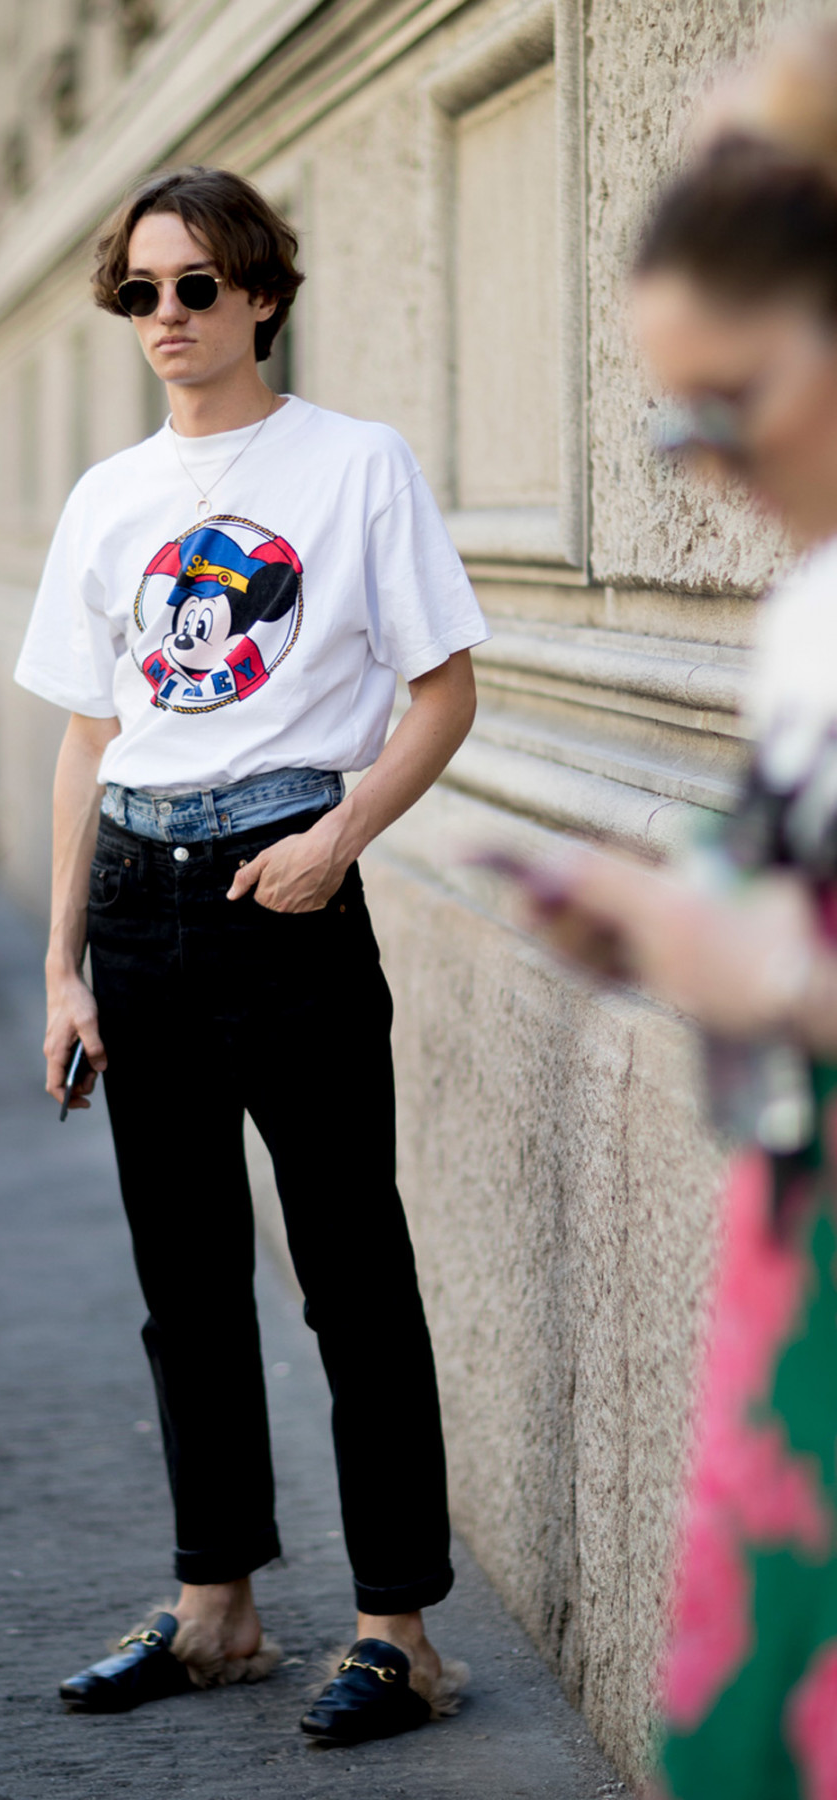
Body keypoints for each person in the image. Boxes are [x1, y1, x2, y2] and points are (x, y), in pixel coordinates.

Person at [15, 165, 488, 1745]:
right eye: (141, 292)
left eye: (197, 287)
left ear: (263, 295)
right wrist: (64, 969)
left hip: (285, 887)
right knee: (187, 1282)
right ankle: (216, 1608)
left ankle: (398, 1632)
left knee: (352, 1271)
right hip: (138, 904)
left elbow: (443, 692)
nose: (166, 315)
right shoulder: (107, 496)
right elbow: (90, 738)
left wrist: (340, 837)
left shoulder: (354, 464)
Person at [497, 29, 837, 1798]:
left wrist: (770, 967)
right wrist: (672, 914)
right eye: (671, 419)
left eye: (736, 396)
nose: (708, 460)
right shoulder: (808, 618)